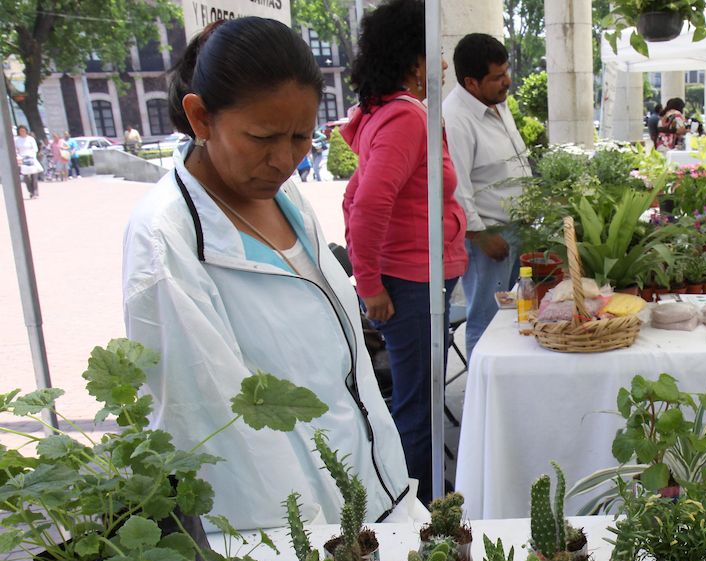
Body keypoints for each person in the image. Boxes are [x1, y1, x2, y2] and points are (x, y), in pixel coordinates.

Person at [122, 16, 423, 530]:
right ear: (200, 118)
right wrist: (309, 546)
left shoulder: (286, 198)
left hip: (368, 494)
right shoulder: (166, 239)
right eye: (262, 138)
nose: (284, 160)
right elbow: (217, 428)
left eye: (301, 137)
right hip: (290, 531)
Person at [342, 0, 467, 505]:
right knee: (418, 406)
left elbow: (354, 196)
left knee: (420, 399)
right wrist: (369, 284)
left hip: (417, 280)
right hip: (413, 285)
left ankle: (418, 494)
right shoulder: (405, 119)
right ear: (414, 60)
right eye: (435, 53)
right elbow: (367, 204)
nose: (442, 65)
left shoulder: (395, 115)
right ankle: (418, 509)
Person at [444, 33, 532, 359]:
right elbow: (456, 186)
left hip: (515, 229)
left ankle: (508, 380)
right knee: (486, 319)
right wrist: (480, 235)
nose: (507, 81)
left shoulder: (496, 102)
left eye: (506, 71)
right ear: (471, 82)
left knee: (514, 315)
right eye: (497, 76)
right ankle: (481, 390)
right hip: (486, 237)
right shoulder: (455, 119)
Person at [14, 126, 41, 199]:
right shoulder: (16, 139)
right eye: (21, 131)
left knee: (34, 176)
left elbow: (35, 149)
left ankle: (35, 191)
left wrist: (33, 156)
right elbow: (15, 149)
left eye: (23, 130)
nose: (22, 132)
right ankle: (30, 190)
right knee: (26, 177)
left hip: (31, 157)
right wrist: (18, 157)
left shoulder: (30, 139)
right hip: (22, 158)